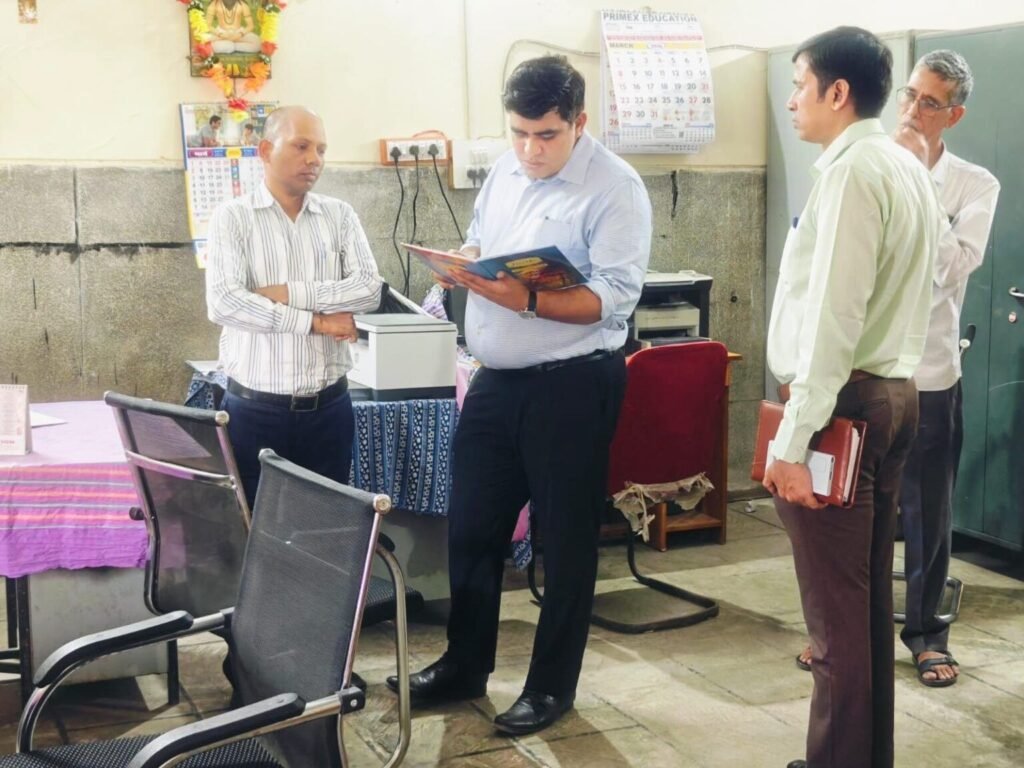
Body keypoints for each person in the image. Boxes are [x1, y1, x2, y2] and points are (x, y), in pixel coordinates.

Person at [386, 55, 652, 736]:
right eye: (519, 133)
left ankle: (550, 688)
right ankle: (464, 665)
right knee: (472, 528)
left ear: (579, 123)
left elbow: (614, 300)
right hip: (496, 380)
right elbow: (485, 240)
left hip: (573, 385)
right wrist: (461, 262)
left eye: (546, 135)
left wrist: (526, 300)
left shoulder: (616, 189)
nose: (530, 150)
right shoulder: (506, 171)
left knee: (564, 542)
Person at [762, 27, 943, 768]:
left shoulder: (851, 173)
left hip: (843, 408)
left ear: (837, 93)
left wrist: (791, 441)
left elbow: (834, 319)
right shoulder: (903, 165)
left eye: (799, 85)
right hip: (894, 395)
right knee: (863, 612)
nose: (791, 100)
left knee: (834, 628)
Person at [793, 50, 1000, 690]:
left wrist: (919, 185)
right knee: (851, 517)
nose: (912, 110)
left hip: (930, 375)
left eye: (930, 102)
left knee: (925, 514)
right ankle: (846, 632)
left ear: (953, 115)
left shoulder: (973, 185)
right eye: (909, 95)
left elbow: (951, 268)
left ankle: (927, 634)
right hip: (863, 375)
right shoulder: (865, 164)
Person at [205, 105, 383, 508]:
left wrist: (289, 293)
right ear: (266, 151)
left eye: (321, 149)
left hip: (329, 410)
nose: (314, 159)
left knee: (326, 530)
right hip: (255, 411)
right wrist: (316, 322)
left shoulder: (339, 216)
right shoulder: (233, 218)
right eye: (301, 146)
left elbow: (369, 290)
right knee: (257, 530)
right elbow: (225, 303)